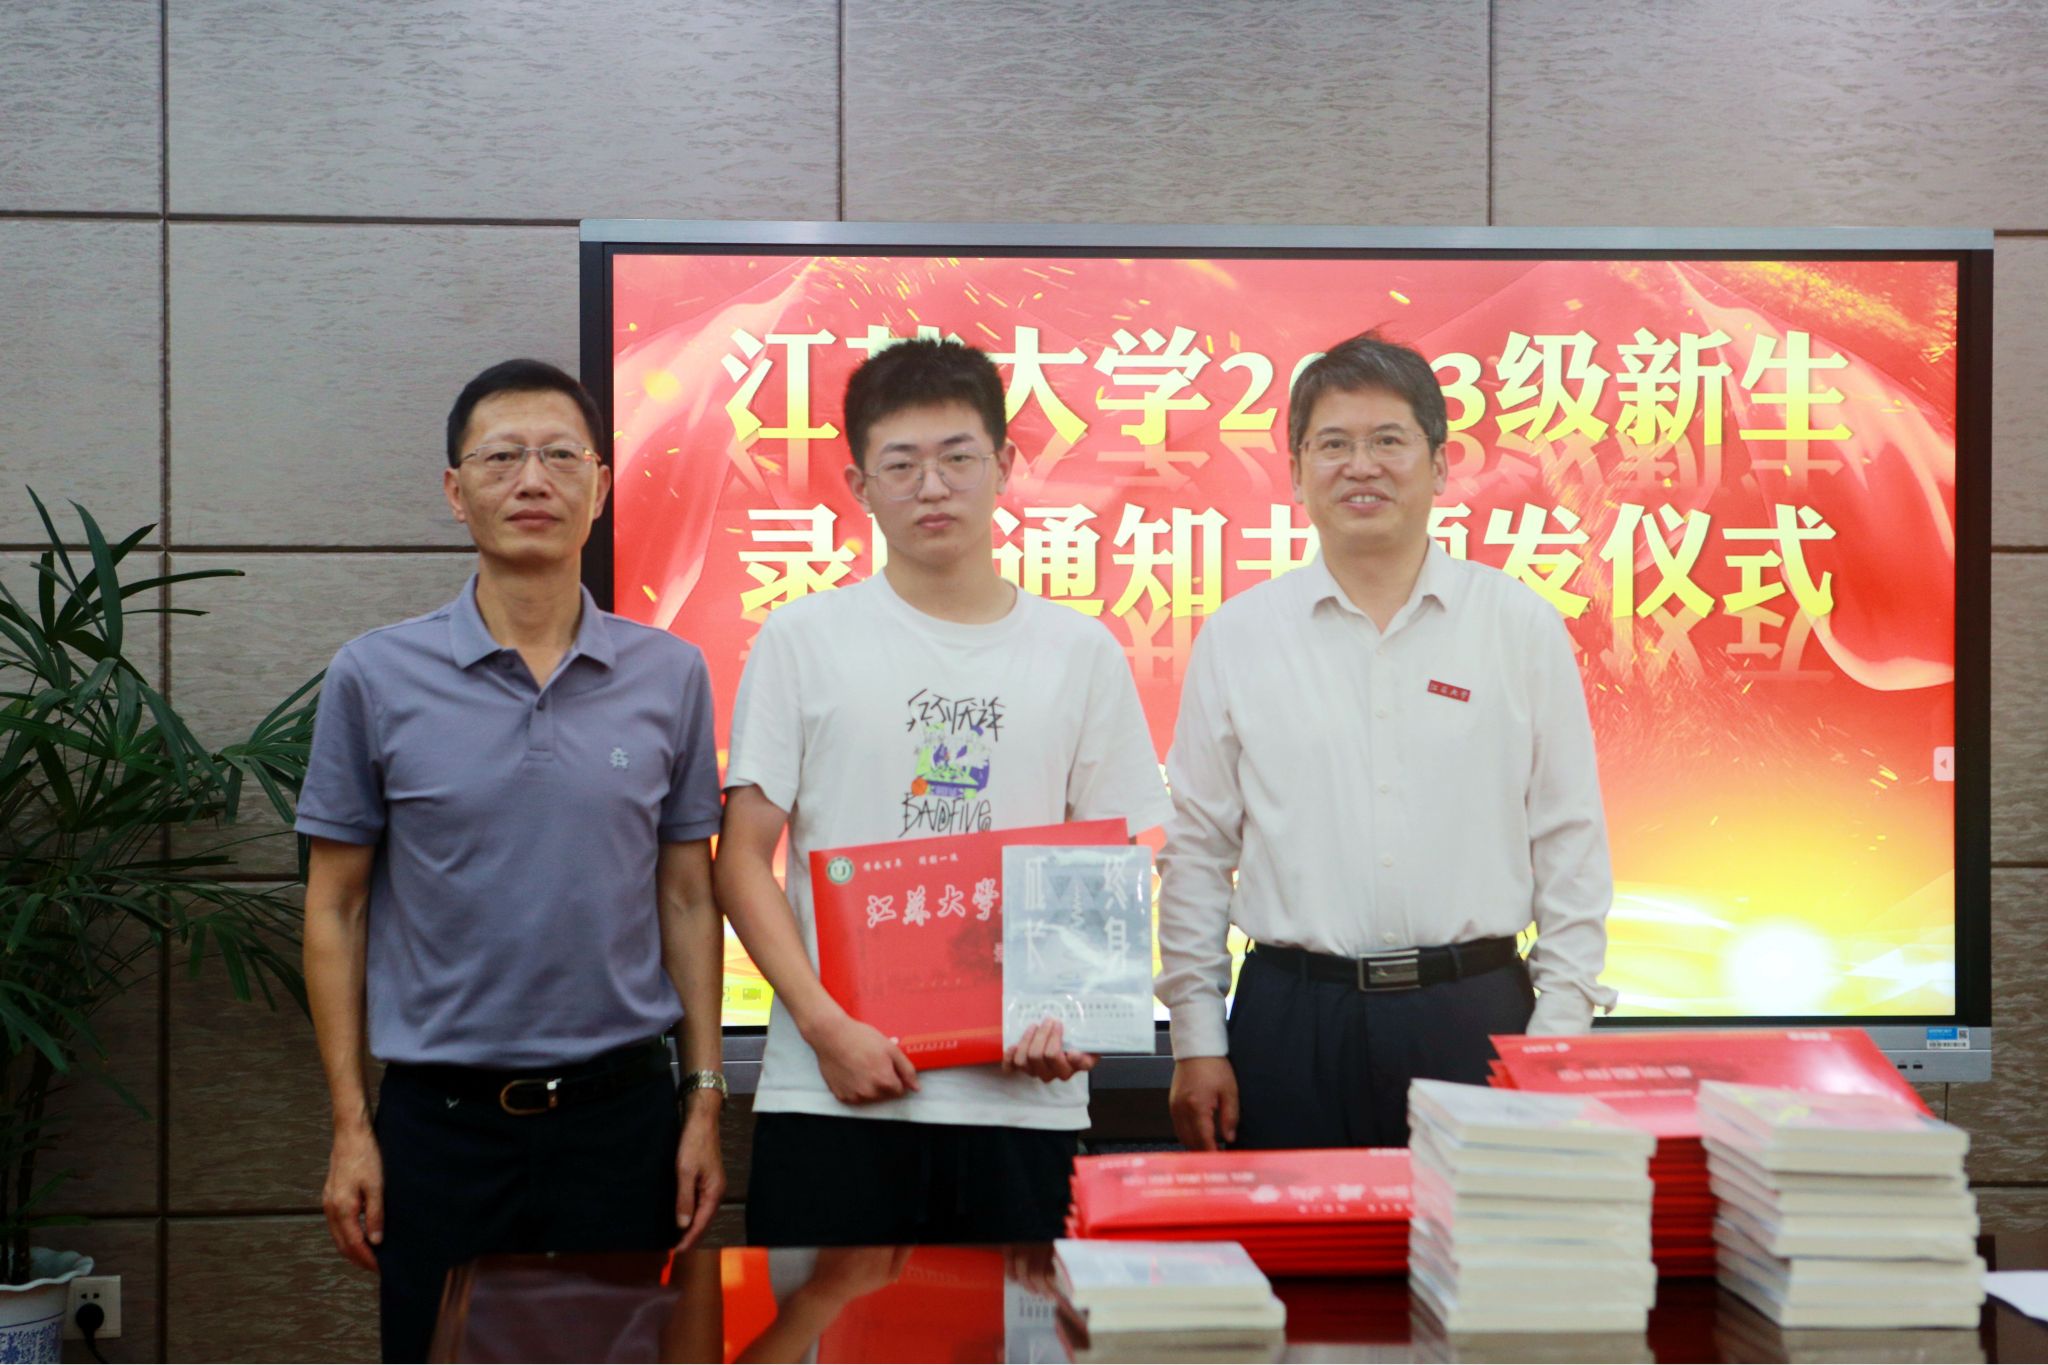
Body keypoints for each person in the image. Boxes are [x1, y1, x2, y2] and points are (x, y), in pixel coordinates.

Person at [298, 359, 727, 1362]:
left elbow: (687, 896)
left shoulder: (669, 674)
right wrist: (351, 1124)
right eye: (501, 458)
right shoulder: (374, 675)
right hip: (439, 1130)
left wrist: (702, 1098)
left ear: (601, 486)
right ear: (456, 491)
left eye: (559, 455)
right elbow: (335, 908)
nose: (532, 479)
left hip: (622, 1123)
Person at [716, 338, 1172, 1246]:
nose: (933, 487)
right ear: (859, 484)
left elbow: (1116, 854)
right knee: (826, 1321)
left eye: (958, 457)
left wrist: (1075, 1012)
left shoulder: (1078, 651)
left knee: (1020, 1319)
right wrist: (825, 1028)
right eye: (902, 464)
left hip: (1021, 1104)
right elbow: (740, 861)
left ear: (1005, 465)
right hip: (834, 1094)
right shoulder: (802, 640)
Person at [1156, 330, 1616, 1153]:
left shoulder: (1518, 626)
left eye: (1388, 441)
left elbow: (1569, 840)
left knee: (1479, 1238)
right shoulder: (1240, 636)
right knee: (1292, 1238)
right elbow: (1196, 850)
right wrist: (1196, 1036)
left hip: (1474, 1011)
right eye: (1333, 444)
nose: (1360, 466)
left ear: (1439, 466)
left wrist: (1559, 1031)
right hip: (1291, 1019)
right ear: (1296, 471)